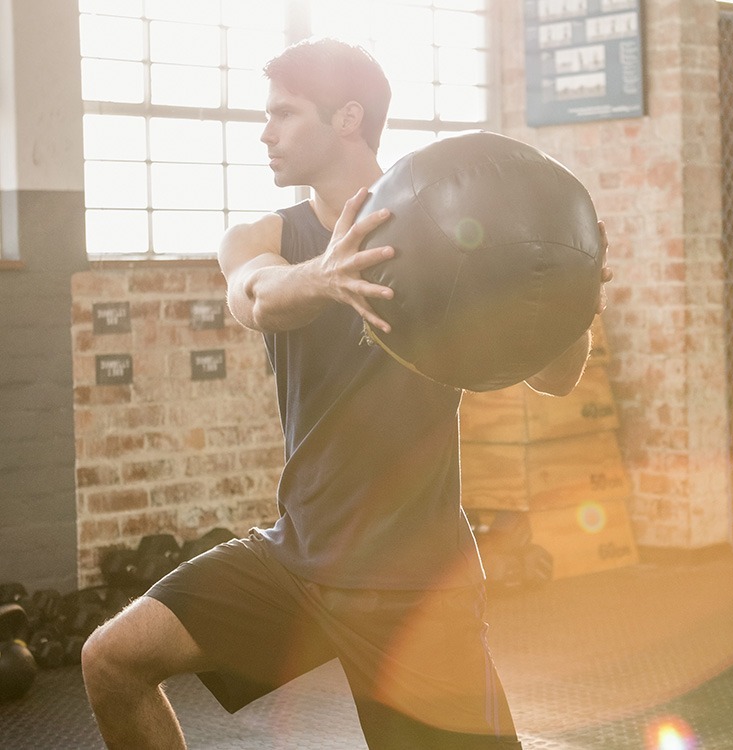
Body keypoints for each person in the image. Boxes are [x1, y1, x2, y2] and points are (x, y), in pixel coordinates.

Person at [81, 37, 611, 750]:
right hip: (297, 556)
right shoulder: (264, 235)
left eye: (284, 114)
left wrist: (573, 301)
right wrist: (324, 278)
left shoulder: (448, 233)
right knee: (112, 660)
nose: (264, 133)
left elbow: (555, 375)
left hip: (414, 585)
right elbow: (255, 295)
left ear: (347, 119)